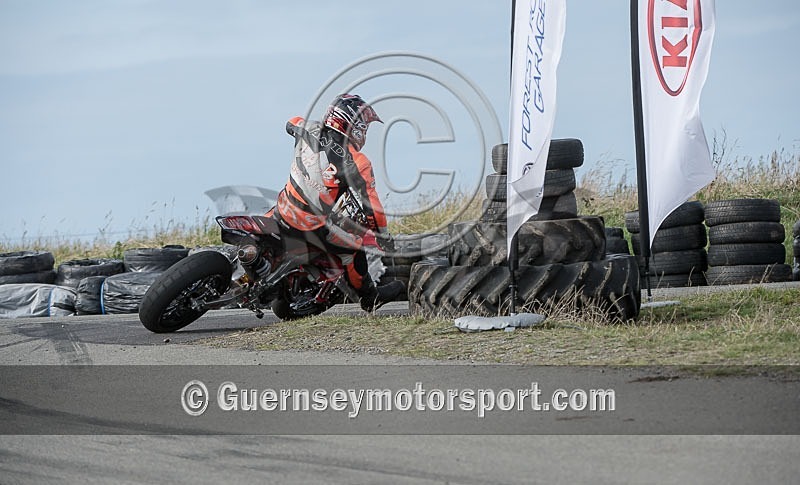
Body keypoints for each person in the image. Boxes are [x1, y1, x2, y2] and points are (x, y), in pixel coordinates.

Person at [271, 93, 405, 312]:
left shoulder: (307, 128)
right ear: (353, 124)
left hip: (283, 208)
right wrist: (384, 237)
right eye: (364, 127)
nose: (365, 133)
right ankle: (369, 298)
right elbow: (374, 209)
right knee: (354, 247)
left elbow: (291, 122)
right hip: (312, 225)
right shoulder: (358, 162)